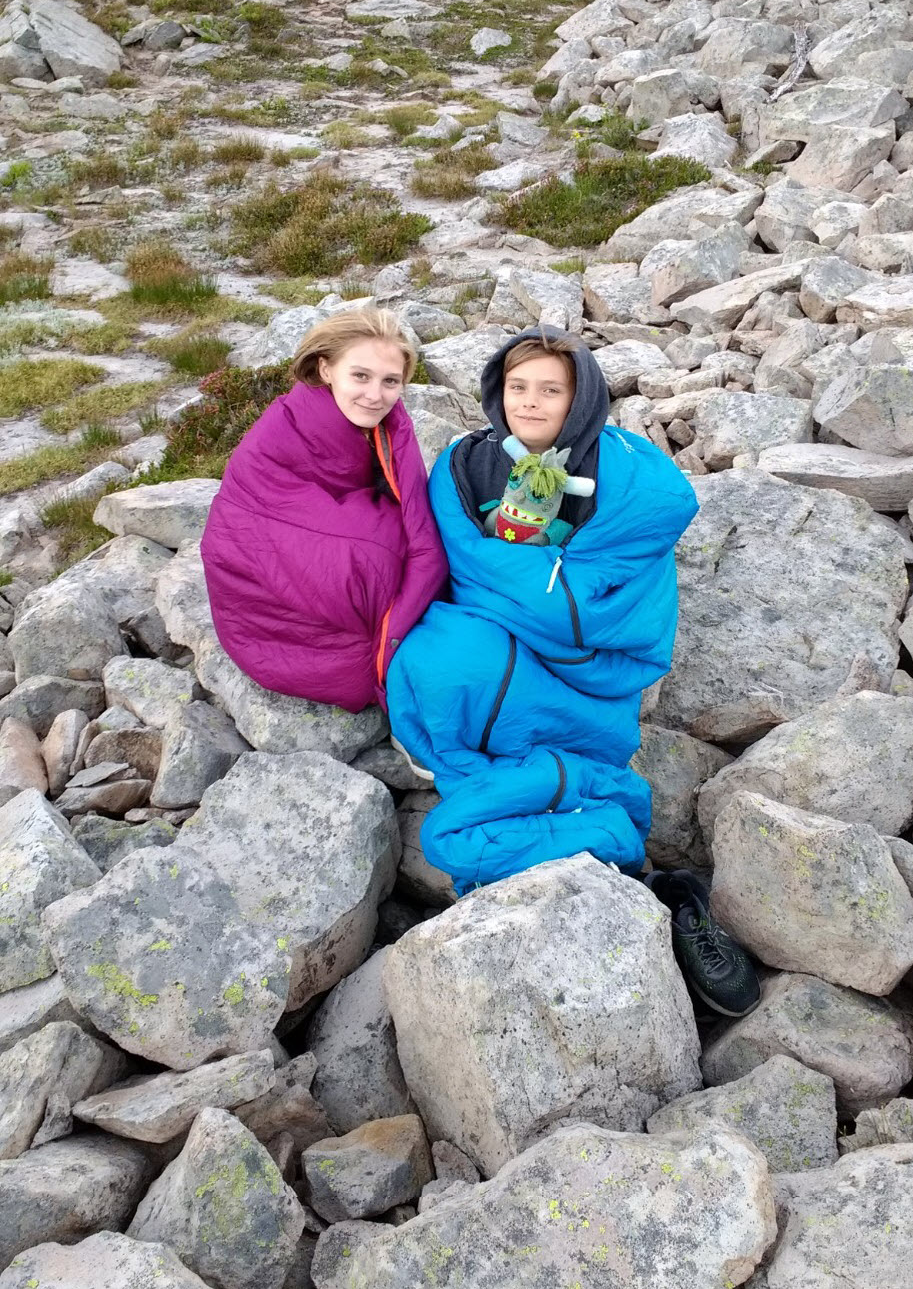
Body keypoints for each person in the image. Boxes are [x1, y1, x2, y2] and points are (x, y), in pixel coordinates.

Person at [387, 326, 759, 1017]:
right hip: (499, 646)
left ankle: (645, 901)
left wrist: (529, 591)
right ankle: (621, 862)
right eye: (517, 387)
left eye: (550, 390)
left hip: (581, 673)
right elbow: (460, 565)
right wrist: (529, 588)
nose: (530, 402)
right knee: (434, 662)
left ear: (581, 398)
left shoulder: (627, 475)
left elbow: (596, 604)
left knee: (460, 825)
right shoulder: (466, 467)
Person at [200, 308, 448, 714]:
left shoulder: (385, 423)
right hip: (252, 571)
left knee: (410, 547)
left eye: (391, 382)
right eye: (361, 376)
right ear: (326, 368)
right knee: (374, 561)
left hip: (307, 527)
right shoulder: (289, 423)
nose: (375, 395)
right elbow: (251, 513)